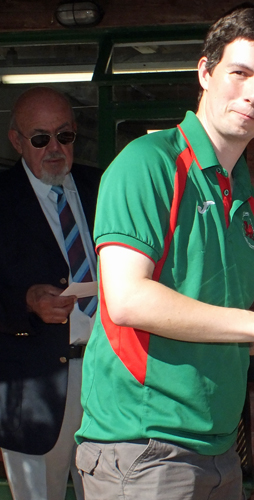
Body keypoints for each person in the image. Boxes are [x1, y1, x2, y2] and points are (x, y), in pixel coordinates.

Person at [74, 5, 254, 499]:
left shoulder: (248, 200)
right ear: (205, 72)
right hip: (143, 446)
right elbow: (128, 300)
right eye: (240, 73)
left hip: (220, 447)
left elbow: (207, 322)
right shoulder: (147, 163)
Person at [0, 86, 102, 500]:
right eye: (41, 139)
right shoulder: (3, 198)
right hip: (35, 386)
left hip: (109, 374)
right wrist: (25, 302)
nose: (55, 148)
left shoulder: (104, 185)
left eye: (65, 136)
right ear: (17, 141)